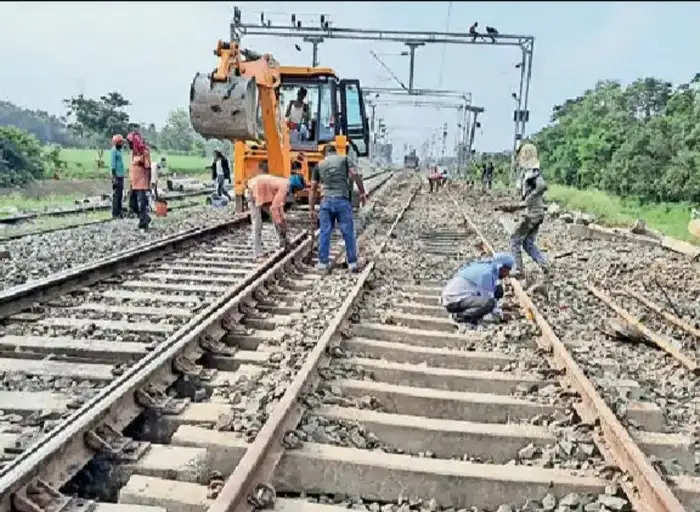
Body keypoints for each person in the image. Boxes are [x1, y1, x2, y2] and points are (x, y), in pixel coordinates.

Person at [309, 145, 367, 273]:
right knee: (348, 232)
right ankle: (352, 262)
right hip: (342, 200)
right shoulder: (344, 159)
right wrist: (362, 192)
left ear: (325, 153)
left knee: (325, 231)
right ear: (335, 151)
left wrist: (311, 208)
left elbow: (312, 189)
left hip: (326, 202)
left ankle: (323, 262)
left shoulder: (319, 165)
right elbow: (355, 174)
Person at [246, 162, 304, 259]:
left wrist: (282, 220)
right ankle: (257, 252)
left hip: (263, 191)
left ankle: (283, 241)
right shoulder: (285, 186)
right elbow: (274, 208)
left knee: (277, 219)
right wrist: (281, 223)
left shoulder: (284, 183)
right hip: (253, 192)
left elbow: (278, 206)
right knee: (257, 223)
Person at [510, 141, 549, 280]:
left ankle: (519, 269)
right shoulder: (530, 172)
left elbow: (542, 186)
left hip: (531, 214)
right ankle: (544, 265)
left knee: (514, 239)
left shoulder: (532, 172)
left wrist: (529, 199)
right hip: (537, 213)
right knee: (527, 243)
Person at [441, 253, 514, 325]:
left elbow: (491, 291)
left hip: (456, 297)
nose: (507, 274)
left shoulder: (488, 267)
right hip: (452, 301)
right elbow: (489, 298)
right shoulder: (487, 274)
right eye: (508, 270)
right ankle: (459, 316)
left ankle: (470, 314)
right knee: (489, 303)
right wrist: (500, 316)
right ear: (501, 267)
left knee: (498, 290)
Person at [126, 131, 152, 230]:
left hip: (142, 183)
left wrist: (149, 183)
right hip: (134, 182)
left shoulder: (145, 152)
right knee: (132, 204)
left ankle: (143, 224)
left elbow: (148, 167)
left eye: (130, 143)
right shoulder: (132, 152)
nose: (129, 145)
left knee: (142, 205)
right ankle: (146, 218)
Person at [110, 134, 125, 218]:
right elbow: (113, 165)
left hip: (121, 175)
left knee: (120, 195)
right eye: (120, 142)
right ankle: (115, 213)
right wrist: (114, 177)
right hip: (116, 176)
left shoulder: (120, 151)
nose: (122, 143)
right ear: (117, 142)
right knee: (116, 195)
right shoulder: (114, 151)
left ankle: (119, 212)